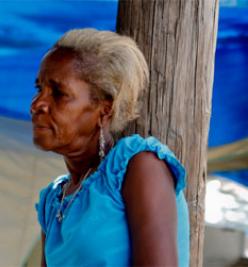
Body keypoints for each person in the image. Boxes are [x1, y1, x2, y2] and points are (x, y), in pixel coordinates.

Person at [31, 28, 189, 267]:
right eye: (38, 89)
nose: (37, 104)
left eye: (58, 93)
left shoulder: (139, 166)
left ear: (104, 108)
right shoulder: (53, 201)